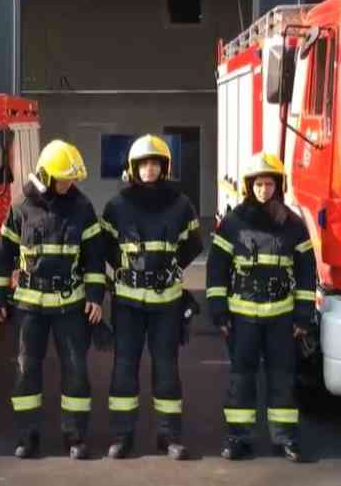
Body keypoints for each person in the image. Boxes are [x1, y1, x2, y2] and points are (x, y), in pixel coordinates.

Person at [0, 140, 107, 460]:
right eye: (64, 179)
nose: (70, 185)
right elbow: (2, 256)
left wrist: (96, 297)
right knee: (27, 370)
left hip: (70, 305)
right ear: (46, 176)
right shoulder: (21, 208)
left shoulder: (82, 208)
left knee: (76, 371)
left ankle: (75, 436)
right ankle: (28, 436)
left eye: (72, 180)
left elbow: (95, 258)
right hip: (29, 307)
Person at [206, 153, 316, 462]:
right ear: (248, 186)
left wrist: (303, 316)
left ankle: (285, 440)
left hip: (281, 317)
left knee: (282, 379)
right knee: (241, 379)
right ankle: (239, 439)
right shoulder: (233, 222)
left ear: (278, 186)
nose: (263, 190)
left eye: (269, 184)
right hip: (242, 318)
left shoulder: (293, 224)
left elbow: (307, 271)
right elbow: (216, 268)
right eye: (258, 184)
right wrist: (219, 310)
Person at [101, 134, 203, 461]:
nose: (149, 169)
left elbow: (193, 243)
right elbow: (104, 245)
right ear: (133, 168)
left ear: (164, 167)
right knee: (123, 369)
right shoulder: (117, 206)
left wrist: (166, 269)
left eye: (155, 163)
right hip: (128, 304)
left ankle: (168, 437)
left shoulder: (181, 205)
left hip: (167, 305)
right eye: (143, 164)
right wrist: (129, 272)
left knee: (167, 370)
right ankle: (121, 436)